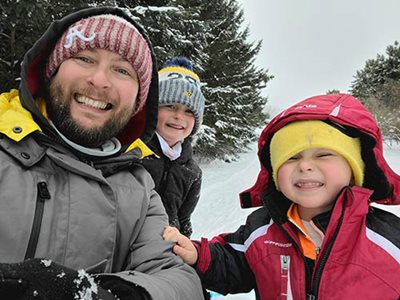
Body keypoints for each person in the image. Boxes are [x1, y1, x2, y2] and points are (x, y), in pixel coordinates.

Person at [0, 6, 204, 300]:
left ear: (138, 100)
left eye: (122, 70)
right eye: (84, 58)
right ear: (51, 69)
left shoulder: (140, 187)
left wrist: (120, 294)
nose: (99, 80)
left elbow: (174, 274)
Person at [163, 93, 400, 299]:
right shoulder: (261, 229)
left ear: (354, 170)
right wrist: (198, 255)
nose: (305, 166)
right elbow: (233, 262)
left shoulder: (390, 241)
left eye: (324, 154)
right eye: (291, 157)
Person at [142, 56, 205, 238]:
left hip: (163, 254)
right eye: (170, 106)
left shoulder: (192, 172)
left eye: (188, 111)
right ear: (153, 109)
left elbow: (183, 220)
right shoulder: (130, 151)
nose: (179, 116)